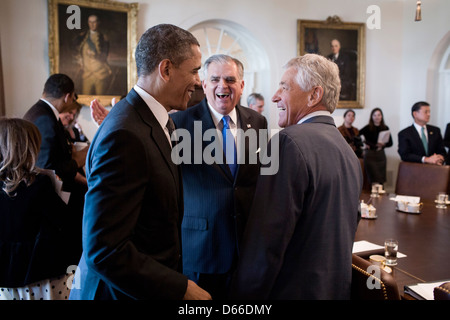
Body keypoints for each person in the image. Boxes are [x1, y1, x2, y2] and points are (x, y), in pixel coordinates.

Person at [69, 24, 211, 300]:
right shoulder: (125, 134)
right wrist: (179, 288)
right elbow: (104, 249)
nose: (198, 82)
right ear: (166, 69)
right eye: (194, 71)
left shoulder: (156, 121)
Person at [229, 54, 362, 299]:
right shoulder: (347, 151)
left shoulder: (286, 142)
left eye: (285, 87)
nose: (274, 96)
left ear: (314, 95)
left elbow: (267, 239)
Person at [170, 54, 268, 300]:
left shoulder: (257, 122)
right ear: (204, 84)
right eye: (214, 79)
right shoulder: (179, 123)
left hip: (247, 248)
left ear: (242, 86)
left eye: (230, 79)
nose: (222, 86)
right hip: (201, 249)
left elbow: (264, 178)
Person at [0, 118, 78, 300]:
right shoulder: (38, 184)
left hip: (5, 276)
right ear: (27, 149)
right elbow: (63, 221)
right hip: (38, 274)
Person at [74, 14, 112, 95]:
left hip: (100, 74)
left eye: (94, 22)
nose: (92, 24)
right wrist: (79, 59)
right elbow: (75, 49)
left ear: (98, 23)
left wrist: (94, 55)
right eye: (90, 22)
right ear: (88, 23)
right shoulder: (82, 37)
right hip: (86, 75)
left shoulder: (103, 38)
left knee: (101, 101)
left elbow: (104, 57)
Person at [359, 108, 393, 185]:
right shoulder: (367, 127)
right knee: (372, 179)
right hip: (370, 155)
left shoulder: (385, 128)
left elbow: (391, 143)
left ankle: (381, 196)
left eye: (379, 115)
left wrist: (383, 145)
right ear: (372, 117)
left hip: (380, 155)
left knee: (381, 180)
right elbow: (357, 135)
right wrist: (364, 144)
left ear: (381, 116)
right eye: (374, 115)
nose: (377, 117)